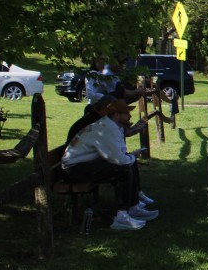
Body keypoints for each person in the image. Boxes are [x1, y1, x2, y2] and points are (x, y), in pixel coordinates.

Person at [61, 95, 158, 231]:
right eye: (126, 113)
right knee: (124, 169)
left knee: (129, 163)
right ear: (116, 115)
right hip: (73, 169)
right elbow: (118, 160)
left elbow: (120, 153)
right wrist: (131, 157)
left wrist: (130, 157)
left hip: (81, 165)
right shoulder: (106, 128)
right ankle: (121, 217)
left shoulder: (113, 126)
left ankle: (133, 207)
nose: (130, 116)